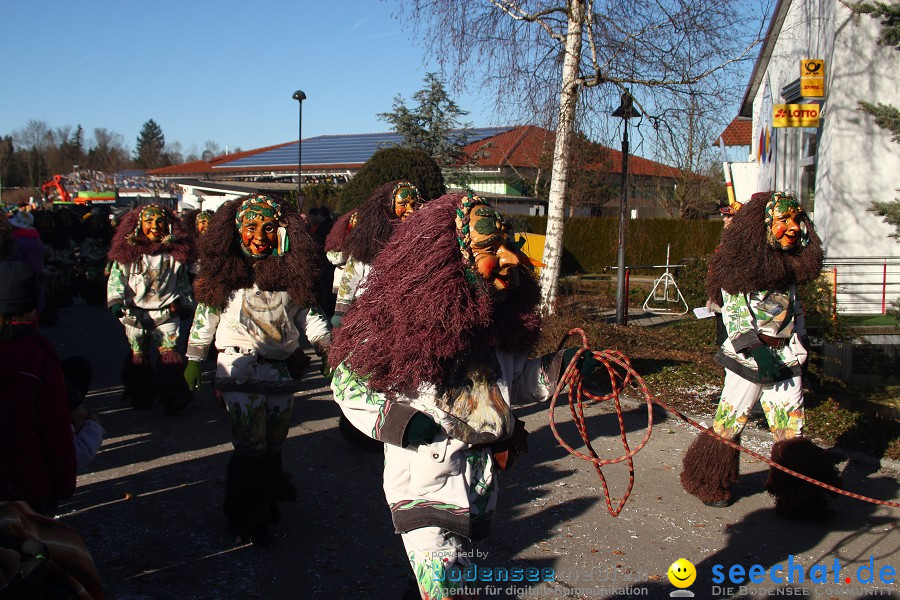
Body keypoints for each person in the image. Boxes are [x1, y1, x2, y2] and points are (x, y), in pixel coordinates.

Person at [330, 193, 578, 600]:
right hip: (424, 489)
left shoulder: (493, 328)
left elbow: (516, 384)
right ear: (449, 258)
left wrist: (563, 367)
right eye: (489, 248)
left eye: (508, 245)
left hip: (477, 487)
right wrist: (402, 424)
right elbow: (348, 382)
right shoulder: (399, 332)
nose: (512, 259)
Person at [680, 191, 841, 518]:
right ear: (763, 226)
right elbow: (735, 315)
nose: (793, 228)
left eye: (797, 220)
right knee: (731, 420)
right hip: (747, 361)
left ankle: (798, 498)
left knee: (791, 431)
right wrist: (755, 348)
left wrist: (802, 343)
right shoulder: (738, 271)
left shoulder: (788, 270)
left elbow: (795, 311)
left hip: (786, 359)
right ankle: (709, 480)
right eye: (784, 221)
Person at [183, 194, 332, 546]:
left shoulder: (293, 276)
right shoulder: (224, 276)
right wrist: (193, 359)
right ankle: (249, 516)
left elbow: (310, 318)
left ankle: (270, 496)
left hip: (281, 374)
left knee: (273, 442)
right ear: (236, 232)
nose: (260, 236)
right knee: (249, 444)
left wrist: (327, 349)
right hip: (238, 368)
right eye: (251, 228)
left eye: (269, 228)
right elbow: (205, 318)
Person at [0, 262, 75, 515]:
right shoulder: (37, 355)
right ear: (34, 311)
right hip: (29, 482)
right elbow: (55, 427)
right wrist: (64, 482)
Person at [106, 203, 194, 413]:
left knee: (169, 353)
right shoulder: (128, 255)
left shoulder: (175, 255)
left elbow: (182, 282)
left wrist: (187, 304)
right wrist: (116, 301)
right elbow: (117, 279)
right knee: (139, 354)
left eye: (160, 221)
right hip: (134, 312)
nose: (155, 226)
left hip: (166, 311)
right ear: (138, 226)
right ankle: (141, 393)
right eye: (149, 222)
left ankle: (173, 396)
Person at [332, 180, 423, 327]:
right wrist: (341, 311)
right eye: (403, 204)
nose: (411, 210)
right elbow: (351, 275)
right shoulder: (367, 242)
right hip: (367, 312)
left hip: (402, 313)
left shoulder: (419, 239)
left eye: (414, 205)